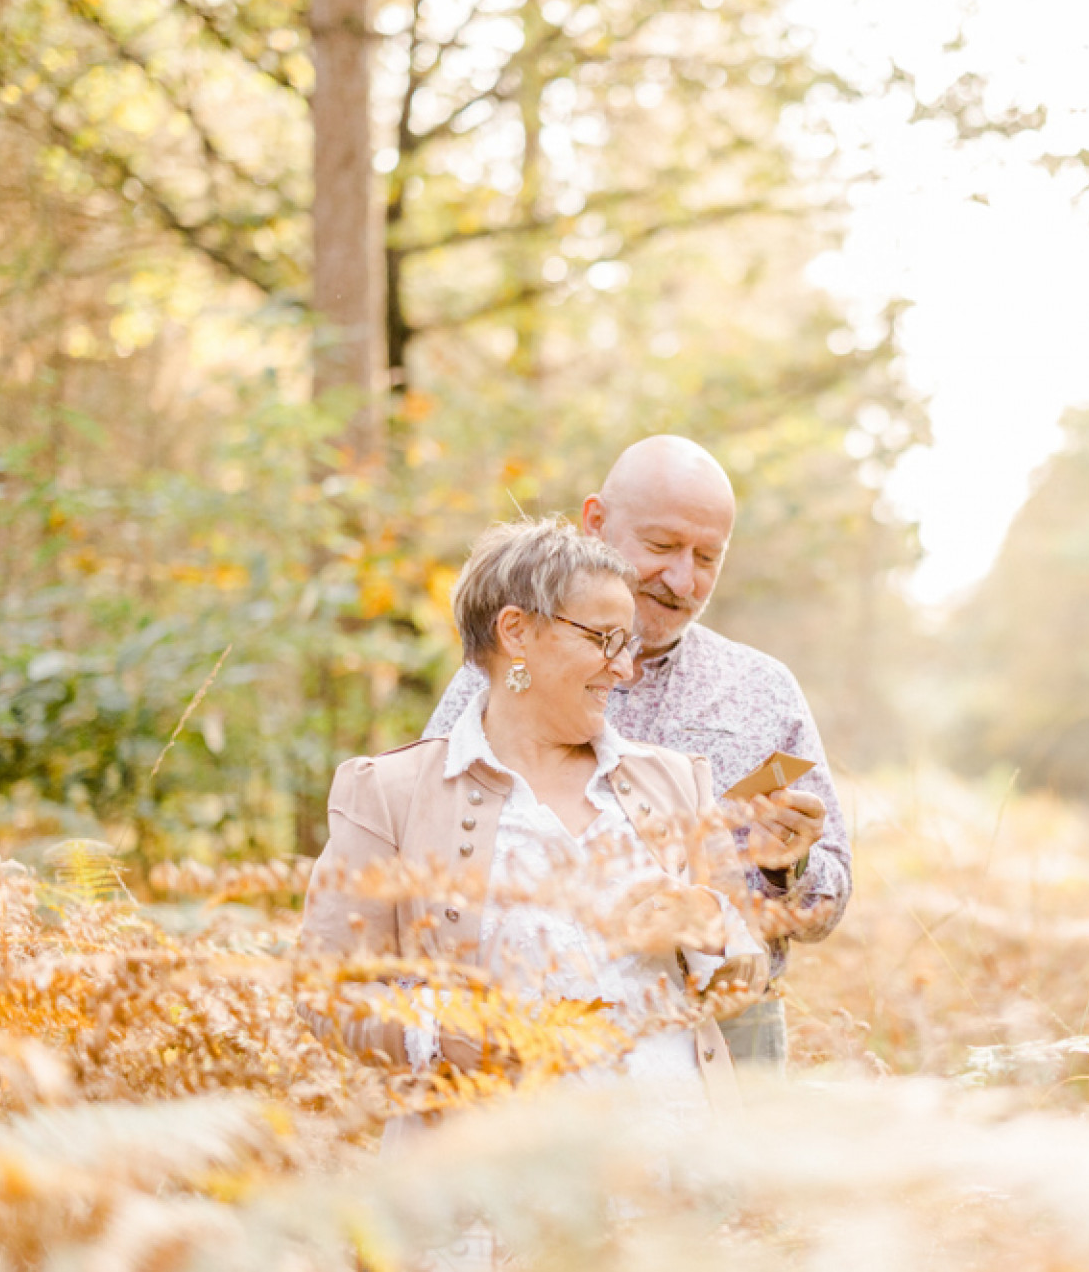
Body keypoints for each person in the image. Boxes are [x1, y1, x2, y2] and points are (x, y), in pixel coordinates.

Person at [300, 518, 768, 1134]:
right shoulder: (390, 794)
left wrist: (710, 928)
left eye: (628, 643)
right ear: (516, 631)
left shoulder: (678, 781)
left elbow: (748, 968)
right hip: (493, 1168)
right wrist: (446, 1033)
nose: (624, 668)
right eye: (606, 639)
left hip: (676, 1163)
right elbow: (326, 993)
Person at [424, 436, 852, 1072]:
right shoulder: (501, 673)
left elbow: (825, 910)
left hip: (730, 1027)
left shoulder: (763, 691)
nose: (683, 580)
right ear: (595, 523)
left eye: (706, 557)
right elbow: (422, 852)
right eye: (661, 546)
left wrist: (788, 867)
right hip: (537, 1023)